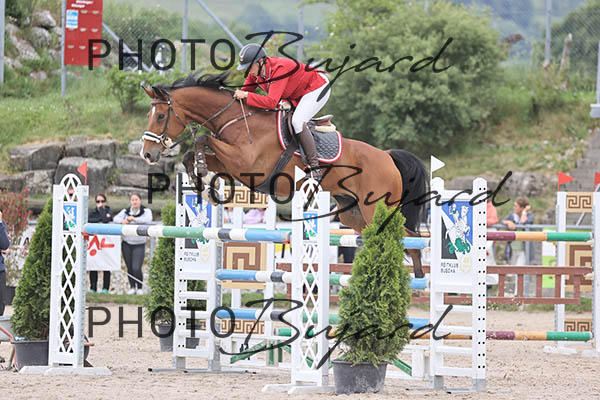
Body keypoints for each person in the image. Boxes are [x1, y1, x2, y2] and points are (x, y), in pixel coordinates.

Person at [234, 43, 331, 181]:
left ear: (261, 61)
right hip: (298, 92)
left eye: (250, 66)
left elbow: (271, 102)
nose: (248, 71)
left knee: (297, 122)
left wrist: (246, 96)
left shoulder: (279, 69)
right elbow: (242, 94)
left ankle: (315, 168)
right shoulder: (255, 74)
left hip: (317, 88)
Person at [113, 194, 153, 295]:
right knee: (129, 267)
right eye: (132, 200)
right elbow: (115, 219)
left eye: (136, 199)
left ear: (140, 200)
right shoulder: (125, 211)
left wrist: (135, 219)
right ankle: (132, 287)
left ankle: (139, 287)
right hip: (126, 243)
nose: (134, 202)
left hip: (139, 243)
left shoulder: (146, 211)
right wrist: (123, 221)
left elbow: (148, 220)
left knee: (136, 267)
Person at [88, 194, 114, 294]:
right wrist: (101, 218)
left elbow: (106, 220)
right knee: (93, 264)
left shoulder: (109, 211)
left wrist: (102, 211)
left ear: (105, 202)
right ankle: (93, 287)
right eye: (98, 201)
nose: (100, 203)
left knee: (106, 265)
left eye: (102, 201)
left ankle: (105, 288)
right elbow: (89, 220)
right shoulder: (92, 212)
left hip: (106, 242)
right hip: (94, 242)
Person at [0, 211, 10, 316]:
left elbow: (4, 244)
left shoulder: (1, 224)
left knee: (1, 304)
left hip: (0, 271)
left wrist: (0, 224)